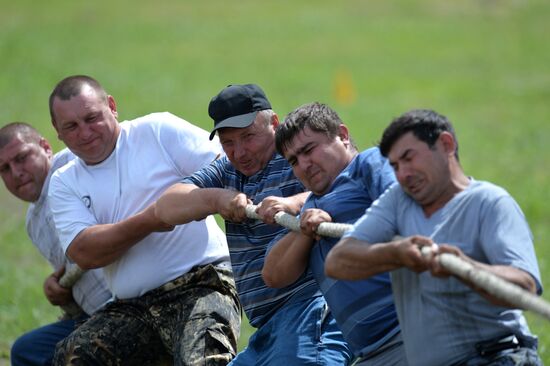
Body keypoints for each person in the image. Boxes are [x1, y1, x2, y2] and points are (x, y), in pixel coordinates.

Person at [47, 75, 241, 365]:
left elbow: (227, 171)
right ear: (57, 132)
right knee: (75, 355)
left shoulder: (157, 131)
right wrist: (152, 218)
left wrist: (198, 201)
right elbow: (85, 252)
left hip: (202, 282)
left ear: (112, 106)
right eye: (71, 127)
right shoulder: (64, 181)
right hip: (131, 306)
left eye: (92, 118)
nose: (85, 132)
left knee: (203, 360)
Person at [325, 109, 542, 366]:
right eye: (395, 166)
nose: (403, 174)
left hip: (496, 357)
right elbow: (337, 262)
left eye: (409, 158)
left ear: (446, 145)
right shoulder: (399, 201)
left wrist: (467, 268)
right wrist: (395, 254)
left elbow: (524, 287)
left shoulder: (490, 202)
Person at [156, 84, 353, 365]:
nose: (240, 152)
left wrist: (293, 204)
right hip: (268, 329)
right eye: (228, 142)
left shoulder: (294, 157)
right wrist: (218, 199)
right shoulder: (226, 172)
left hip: (311, 310)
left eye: (248, 137)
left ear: (274, 123)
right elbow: (165, 208)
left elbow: (345, 182)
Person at [262, 102, 407, 366]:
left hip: (411, 336)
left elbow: (402, 213)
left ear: (342, 135)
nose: (304, 164)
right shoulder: (310, 208)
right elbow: (273, 275)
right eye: (294, 160)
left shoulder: (368, 163)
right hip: (371, 353)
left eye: (309, 150)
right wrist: (306, 232)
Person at [0, 122, 111, 366]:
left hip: (129, 301)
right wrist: (57, 287)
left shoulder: (76, 164)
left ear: (46, 147)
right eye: (5, 168)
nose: (16, 172)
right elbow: (72, 266)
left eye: (22, 158)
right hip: (90, 314)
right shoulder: (32, 222)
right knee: (25, 350)